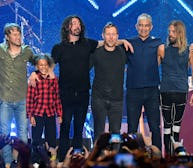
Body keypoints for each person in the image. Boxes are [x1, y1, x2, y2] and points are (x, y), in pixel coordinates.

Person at [50, 15, 132, 164]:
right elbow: (49, 66)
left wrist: (123, 41)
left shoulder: (90, 45)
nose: (77, 26)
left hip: (95, 96)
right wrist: (34, 75)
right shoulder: (61, 48)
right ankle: (65, 159)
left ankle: (110, 160)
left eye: (79, 23)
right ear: (67, 27)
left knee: (108, 131)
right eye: (73, 23)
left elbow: (108, 42)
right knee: (67, 126)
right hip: (74, 94)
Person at [0, 23, 34, 167]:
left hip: (22, 98)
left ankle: (22, 163)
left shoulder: (27, 51)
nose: (18, 37)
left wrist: (35, 72)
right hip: (4, 98)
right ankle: (7, 164)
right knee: (5, 134)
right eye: (14, 34)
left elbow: (39, 62)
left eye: (19, 34)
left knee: (23, 133)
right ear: (7, 37)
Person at [159, 20, 193, 155]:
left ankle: (174, 159)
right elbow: (152, 67)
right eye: (169, 31)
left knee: (176, 128)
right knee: (166, 128)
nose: (170, 34)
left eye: (173, 32)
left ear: (180, 33)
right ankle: (168, 158)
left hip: (181, 91)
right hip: (165, 91)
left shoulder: (190, 51)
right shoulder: (162, 49)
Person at [125, 13, 164, 150]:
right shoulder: (128, 43)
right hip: (133, 90)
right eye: (141, 25)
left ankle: (158, 157)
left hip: (152, 90)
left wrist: (192, 49)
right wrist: (121, 42)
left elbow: (170, 56)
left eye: (146, 25)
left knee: (155, 126)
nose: (143, 28)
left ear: (151, 27)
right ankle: (130, 157)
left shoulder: (158, 42)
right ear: (136, 27)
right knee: (132, 127)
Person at [90, 22, 127, 141]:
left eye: (113, 34)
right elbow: (82, 69)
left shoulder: (123, 52)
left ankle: (114, 159)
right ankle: (97, 159)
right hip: (98, 98)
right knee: (99, 134)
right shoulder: (96, 53)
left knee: (116, 134)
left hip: (117, 99)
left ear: (117, 36)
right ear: (103, 36)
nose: (111, 37)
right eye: (108, 34)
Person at [26, 54, 63, 164]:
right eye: (41, 65)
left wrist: (59, 114)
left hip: (51, 113)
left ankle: (51, 160)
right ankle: (36, 162)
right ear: (37, 66)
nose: (43, 67)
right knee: (36, 139)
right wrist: (30, 115)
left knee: (51, 138)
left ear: (49, 66)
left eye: (45, 65)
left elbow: (57, 97)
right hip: (38, 113)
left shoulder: (54, 79)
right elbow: (30, 98)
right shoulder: (34, 78)